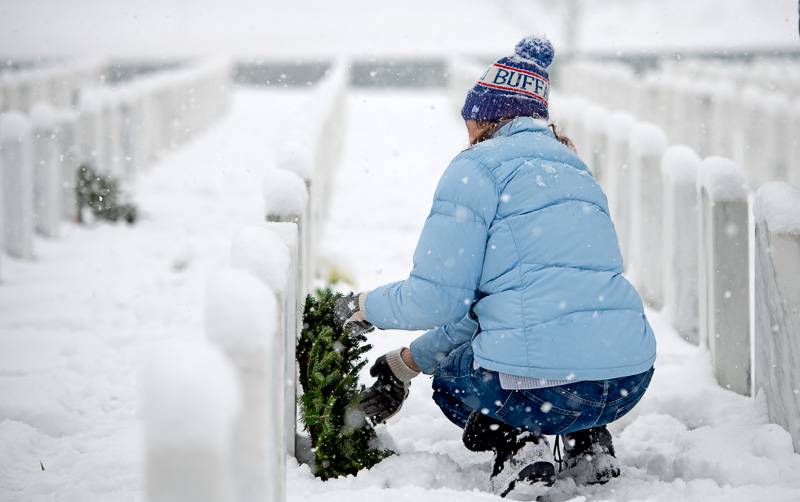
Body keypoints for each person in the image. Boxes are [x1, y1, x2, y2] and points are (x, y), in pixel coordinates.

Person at [333, 35, 656, 498]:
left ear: (484, 116)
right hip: (627, 378)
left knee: (452, 381)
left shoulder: (475, 169)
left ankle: (522, 444)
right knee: (548, 345)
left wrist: (361, 306)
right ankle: (589, 441)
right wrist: (402, 365)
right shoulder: (574, 167)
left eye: (468, 118)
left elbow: (439, 299)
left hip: (542, 391)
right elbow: (511, 309)